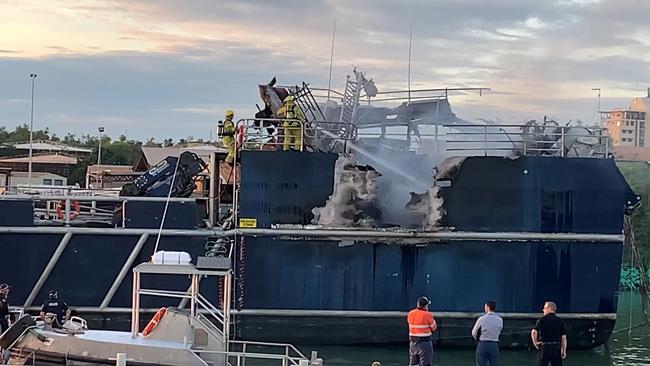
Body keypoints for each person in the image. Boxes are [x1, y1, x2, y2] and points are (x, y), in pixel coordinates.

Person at [531, 301, 567, 366]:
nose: (543, 310)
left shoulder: (542, 320)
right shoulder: (561, 321)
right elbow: (563, 337)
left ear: (549, 308)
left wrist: (535, 343)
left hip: (545, 346)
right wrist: (563, 350)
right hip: (556, 347)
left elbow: (534, 331)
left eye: (544, 308)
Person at [407, 296, 437, 366]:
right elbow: (434, 328)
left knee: (413, 363)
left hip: (413, 343)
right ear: (426, 306)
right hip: (424, 343)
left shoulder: (410, 313)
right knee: (425, 363)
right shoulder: (428, 315)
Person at [471, 300, 503, 366]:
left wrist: (477, 339)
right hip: (494, 345)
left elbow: (474, 332)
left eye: (485, 306)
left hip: (482, 344)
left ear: (488, 307)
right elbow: (500, 330)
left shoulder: (481, 319)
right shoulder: (500, 319)